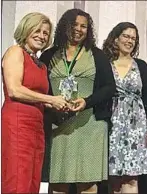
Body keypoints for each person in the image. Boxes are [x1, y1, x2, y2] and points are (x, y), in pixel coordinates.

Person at [39, 9, 116, 193]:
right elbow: (41, 89)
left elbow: (109, 88)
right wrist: (51, 105)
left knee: (87, 182)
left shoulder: (97, 55)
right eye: (74, 25)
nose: (79, 29)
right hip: (58, 126)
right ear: (65, 26)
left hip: (89, 126)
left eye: (83, 26)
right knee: (58, 182)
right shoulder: (49, 55)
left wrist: (86, 101)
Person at [1, 12, 68, 193]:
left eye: (46, 33)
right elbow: (15, 89)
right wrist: (50, 99)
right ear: (26, 29)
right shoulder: (15, 52)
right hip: (18, 123)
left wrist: (59, 104)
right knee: (18, 179)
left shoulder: (41, 64)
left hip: (36, 126)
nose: (41, 36)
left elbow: (35, 96)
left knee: (33, 181)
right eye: (37, 30)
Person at [102, 22, 147, 194]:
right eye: (126, 36)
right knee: (113, 177)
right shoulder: (104, 63)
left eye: (133, 38)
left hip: (137, 126)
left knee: (132, 177)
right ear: (116, 38)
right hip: (112, 124)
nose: (130, 41)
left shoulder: (140, 65)